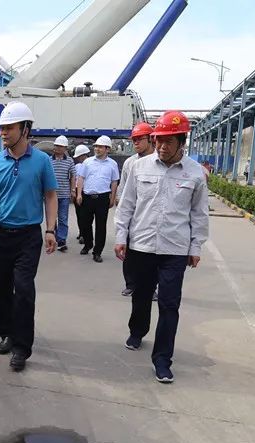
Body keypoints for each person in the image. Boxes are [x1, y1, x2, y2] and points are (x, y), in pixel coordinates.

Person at [114, 110, 209, 384]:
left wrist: (196, 246)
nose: (162, 146)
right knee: (141, 296)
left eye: (169, 141)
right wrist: (121, 236)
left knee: (169, 305)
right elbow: (127, 204)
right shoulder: (139, 167)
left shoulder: (195, 173)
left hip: (175, 249)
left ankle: (163, 360)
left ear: (182, 142)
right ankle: (137, 330)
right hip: (141, 245)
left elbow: (199, 213)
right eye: (158, 140)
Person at [0, 101, 58, 371]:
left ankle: (22, 347)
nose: (3, 132)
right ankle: (8, 334)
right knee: (1, 290)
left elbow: (50, 195)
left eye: (9, 128)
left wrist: (50, 229)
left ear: (25, 129)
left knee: (23, 289)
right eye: (1, 128)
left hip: (28, 236)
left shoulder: (42, 161)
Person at [117, 122, 155, 297]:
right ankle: (131, 284)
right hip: (132, 214)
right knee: (129, 251)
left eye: (140, 139)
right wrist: (121, 205)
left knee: (150, 255)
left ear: (150, 139)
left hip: (149, 215)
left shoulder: (159, 161)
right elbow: (123, 187)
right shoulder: (130, 163)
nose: (136, 143)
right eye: (134, 140)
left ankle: (151, 288)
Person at [75, 135, 119, 263]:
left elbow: (114, 181)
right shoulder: (87, 162)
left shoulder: (112, 164)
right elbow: (81, 178)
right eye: (96, 147)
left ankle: (97, 252)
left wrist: (113, 197)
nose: (97, 149)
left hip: (103, 198)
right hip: (87, 197)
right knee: (85, 223)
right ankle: (88, 244)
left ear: (107, 149)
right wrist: (79, 194)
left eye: (100, 147)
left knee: (101, 226)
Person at [50, 135, 76, 251]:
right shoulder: (49, 160)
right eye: (56, 146)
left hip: (64, 194)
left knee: (63, 218)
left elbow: (73, 176)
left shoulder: (69, 161)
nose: (57, 148)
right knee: (52, 218)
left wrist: (73, 190)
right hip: (51, 195)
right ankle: (54, 236)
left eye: (60, 146)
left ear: (65, 148)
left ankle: (61, 240)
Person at [72, 144, 90, 244]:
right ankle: (81, 232)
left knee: (85, 215)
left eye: (79, 156)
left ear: (84, 155)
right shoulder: (77, 166)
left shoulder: (91, 165)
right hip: (78, 190)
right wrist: (74, 191)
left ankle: (85, 233)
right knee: (79, 213)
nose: (78, 158)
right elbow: (74, 179)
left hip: (86, 191)